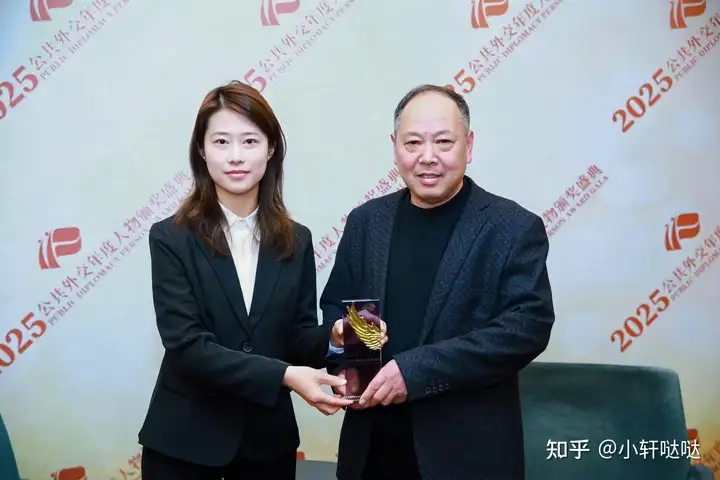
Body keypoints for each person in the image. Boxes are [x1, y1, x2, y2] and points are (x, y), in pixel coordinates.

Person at [321, 84, 555, 480]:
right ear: (395, 147)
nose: (427, 157)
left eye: (444, 142)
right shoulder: (366, 222)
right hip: (372, 448)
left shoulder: (512, 227)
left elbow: (526, 328)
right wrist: (348, 360)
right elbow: (337, 309)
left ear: (469, 145)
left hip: (467, 455)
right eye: (413, 143)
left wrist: (414, 371)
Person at [138, 80, 357, 480]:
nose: (235, 156)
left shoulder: (297, 240)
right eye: (221, 142)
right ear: (201, 150)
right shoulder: (171, 237)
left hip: (267, 445)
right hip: (185, 443)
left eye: (250, 141)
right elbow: (188, 346)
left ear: (271, 149)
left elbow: (296, 336)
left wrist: (335, 337)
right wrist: (284, 376)